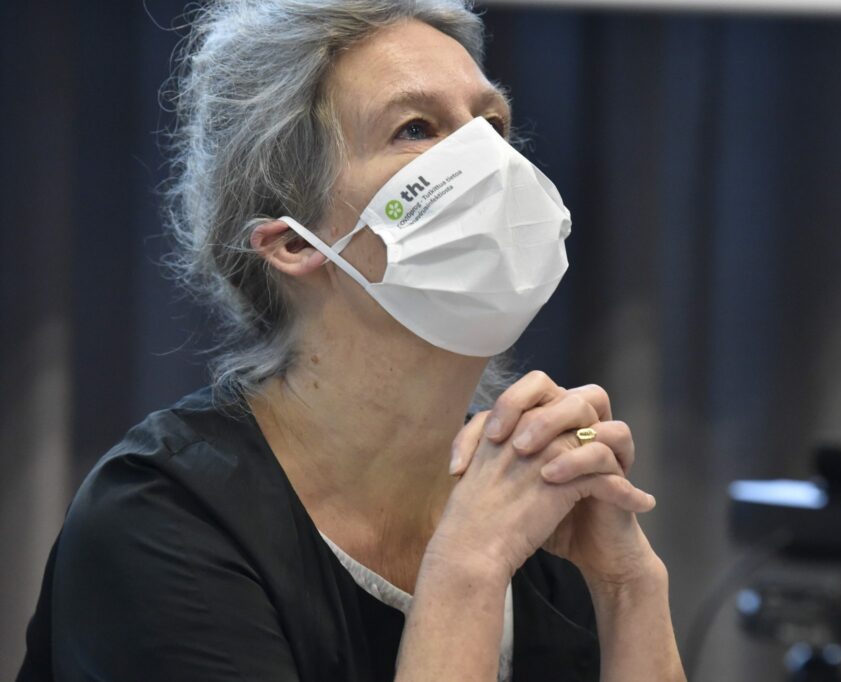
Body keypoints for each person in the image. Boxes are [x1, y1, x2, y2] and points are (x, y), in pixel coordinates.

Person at [18, 1, 686, 680]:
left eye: (491, 124)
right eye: (416, 128)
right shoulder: (159, 521)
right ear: (291, 242)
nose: (490, 160)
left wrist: (628, 586)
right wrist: (468, 568)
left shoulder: (535, 495)